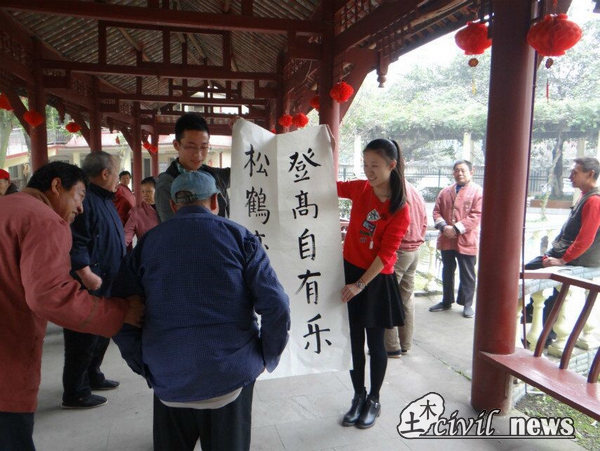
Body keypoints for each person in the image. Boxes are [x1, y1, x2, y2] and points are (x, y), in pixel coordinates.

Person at [112, 171, 290, 450]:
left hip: (168, 376)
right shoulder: (239, 237)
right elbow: (276, 304)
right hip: (231, 374)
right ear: (215, 201)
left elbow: (119, 309)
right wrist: (267, 355)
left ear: (172, 206)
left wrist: (145, 363)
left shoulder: (148, 244)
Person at [0, 162, 143, 451]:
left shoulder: (7, 208)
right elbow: (49, 295)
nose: (80, 208)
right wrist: (119, 312)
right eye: (78, 196)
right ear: (56, 186)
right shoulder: (44, 219)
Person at [337, 139, 410, 429]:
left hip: (375, 279)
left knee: (375, 343)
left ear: (392, 165)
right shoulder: (360, 189)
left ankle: (374, 400)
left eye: (375, 166)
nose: (369, 171)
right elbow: (328, 185)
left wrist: (360, 284)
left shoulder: (400, 208)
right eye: (365, 164)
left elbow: (386, 254)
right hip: (350, 271)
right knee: (353, 341)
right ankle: (358, 396)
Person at [61, 151, 126, 410]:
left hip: (107, 280)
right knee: (82, 337)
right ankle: (75, 392)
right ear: (105, 173)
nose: (119, 178)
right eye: (117, 172)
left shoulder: (104, 199)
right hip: (89, 283)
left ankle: (92, 375)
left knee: (101, 333)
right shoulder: (83, 200)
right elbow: (76, 241)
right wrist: (85, 273)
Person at [523, 157, 600, 344]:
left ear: (590, 174)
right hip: (567, 253)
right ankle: (535, 320)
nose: (570, 176)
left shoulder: (594, 201)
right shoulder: (585, 196)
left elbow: (585, 238)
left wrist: (562, 260)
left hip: (579, 258)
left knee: (539, 277)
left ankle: (539, 326)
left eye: (575, 173)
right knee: (544, 284)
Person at [429, 160, 483, 318]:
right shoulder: (445, 191)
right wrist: (444, 227)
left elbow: (476, 215)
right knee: (447, 270)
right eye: (457, 170)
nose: (460, 173)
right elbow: (436, 211)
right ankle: (446, 300)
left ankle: (467, 304)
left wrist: (456, 228)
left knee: (467, 273)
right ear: (453, 173)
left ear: (471, 172)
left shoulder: (478, 192)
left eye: (463, 170)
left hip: (467, 239)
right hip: (446, 238)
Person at [155, 113, 230, 222]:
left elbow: (247, 171)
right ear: (176, 145)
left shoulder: (214, 175)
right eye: (191, 147)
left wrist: (243, 133)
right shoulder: (166, 185)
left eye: (204, 147)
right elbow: (172, 227)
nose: (198, 154)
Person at [384, 181, 427, 358]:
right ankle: (405, 343)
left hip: (399, 251)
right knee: (406, 299)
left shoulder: (393, 189)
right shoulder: (415, 190)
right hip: (414, 250)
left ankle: (391, 346)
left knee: (387, 298)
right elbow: (424, 221)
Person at [124, 176, 159, 248]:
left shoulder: (166, 208)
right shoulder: (136, 212)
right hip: (146, 250)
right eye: (143, 191)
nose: (145, 195)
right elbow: (126, 235)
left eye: (148, 191)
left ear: (158, 191)